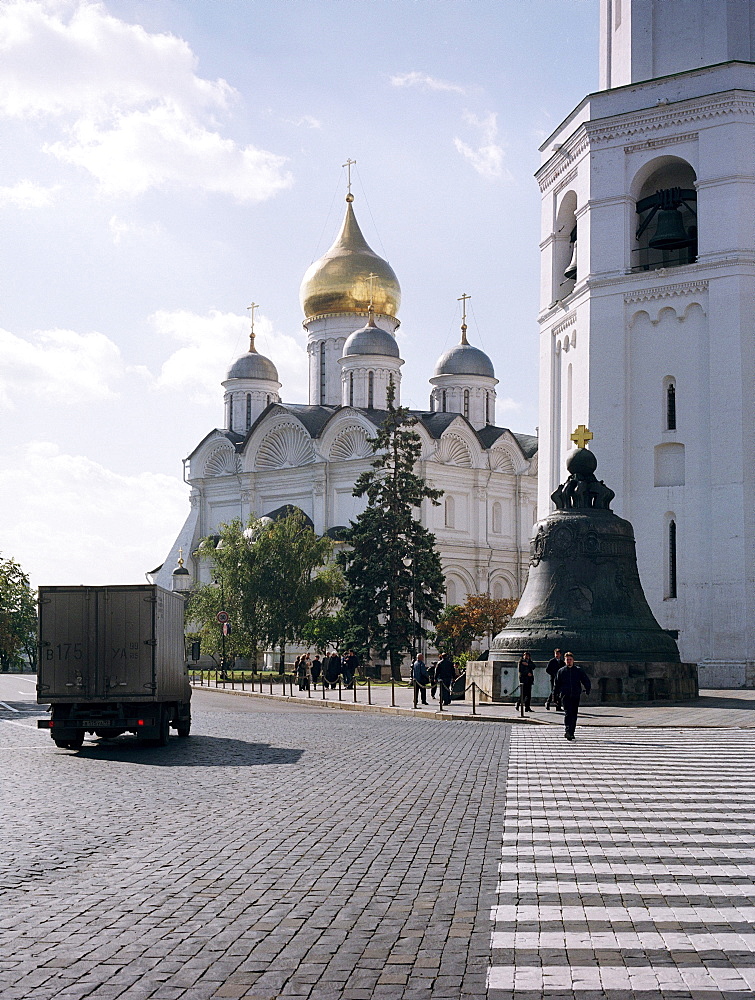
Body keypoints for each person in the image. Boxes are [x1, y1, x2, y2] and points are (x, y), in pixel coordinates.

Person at [554, 651, 591, 740]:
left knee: (574, 714)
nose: (569, 661)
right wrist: (555, 696)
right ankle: (567, 730)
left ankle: (572, 731)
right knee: (568, 713)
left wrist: (587, 689)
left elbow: (585, 680)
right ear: (565, 660)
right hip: (565, 695)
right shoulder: (561, 671)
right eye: (567, 660)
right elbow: (557, 684)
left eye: (570, 659)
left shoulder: (578, 670)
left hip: (575, 695)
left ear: (573, 660)